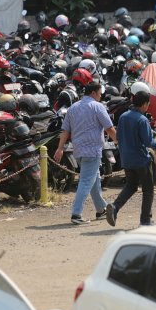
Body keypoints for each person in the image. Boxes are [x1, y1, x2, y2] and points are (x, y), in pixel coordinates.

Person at [54, 82, 117, 224]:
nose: (101, 96)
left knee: (94, 180)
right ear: (94, 93)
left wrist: (60, 148)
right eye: (100, 93)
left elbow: (65, 131)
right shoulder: (97, 107)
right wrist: (119, 141)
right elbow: (109, 128)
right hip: (92, 150)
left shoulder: (72, 108)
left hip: (78, 150)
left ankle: (101, 210)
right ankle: (76, 214)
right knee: (86, 181)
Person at [106, 90, 156, 227]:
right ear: (144, 104)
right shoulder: (142, 119)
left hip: (126, 159)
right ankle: (145, 221)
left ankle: (115, 207)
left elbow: (118, 137)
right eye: (148, 103)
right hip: (141, 160)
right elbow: (148, 142)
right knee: (148, 190)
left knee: (131, 186)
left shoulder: (123, 117)